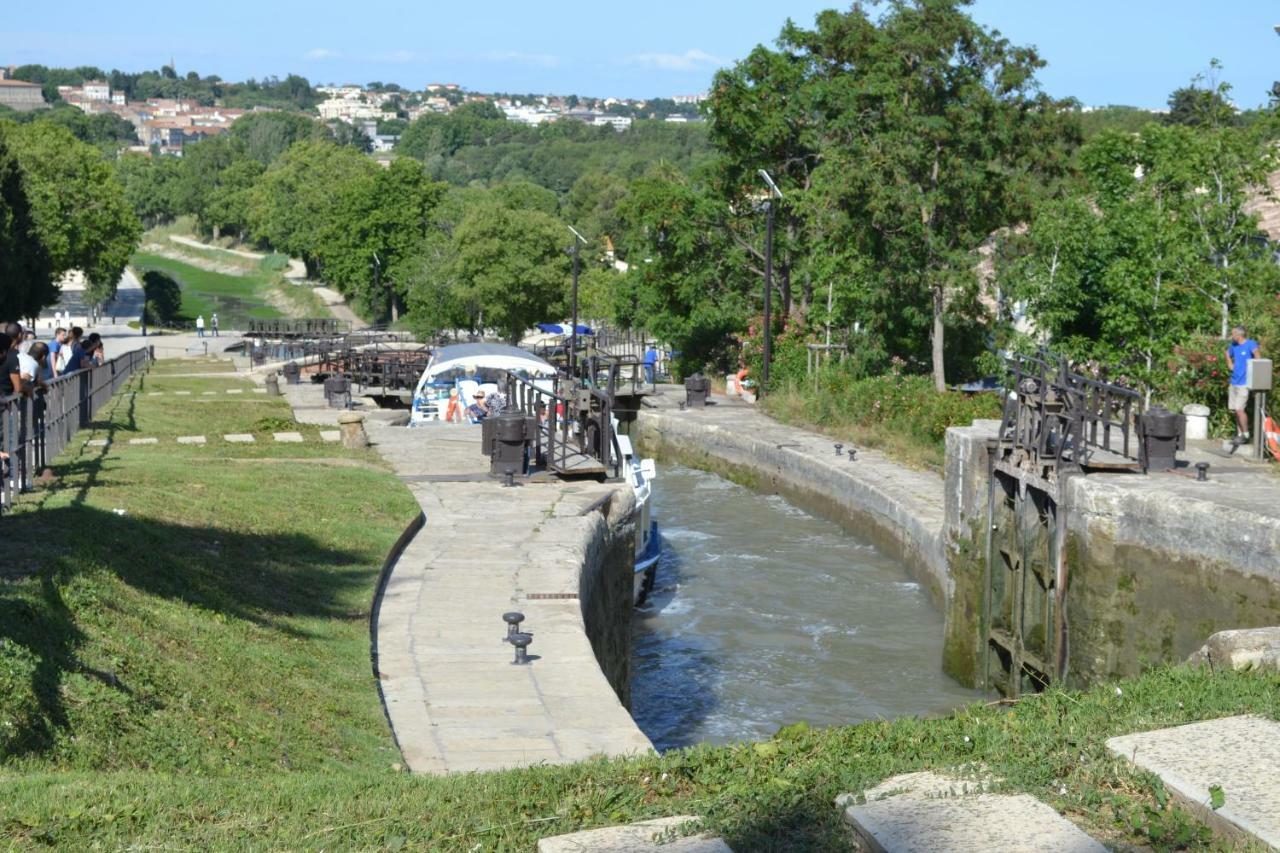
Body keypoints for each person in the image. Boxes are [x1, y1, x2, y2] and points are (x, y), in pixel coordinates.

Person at [1226, 325, 1262, 444]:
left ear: (1239, 335)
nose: (1231, 336)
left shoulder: (1250, 344)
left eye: (1232, 334)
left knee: (1239, 409)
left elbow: (1257, 355)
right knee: (1235, 410)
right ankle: (1240, 435)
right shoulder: (1233, 346)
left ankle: (1246, 434)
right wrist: (1230, 364)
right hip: (1234, 382)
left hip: (1244, 383)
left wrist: (1256, 374)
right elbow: (1227, 353)